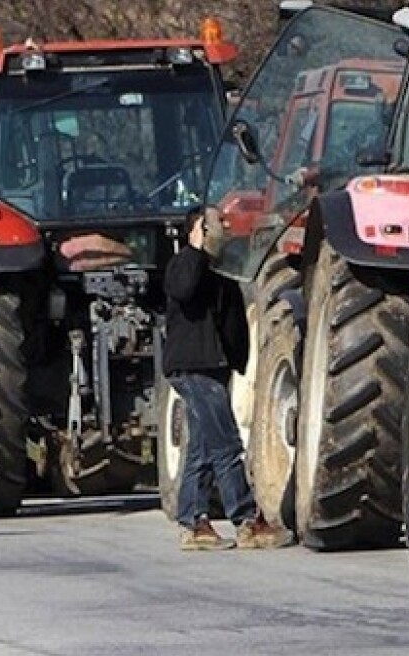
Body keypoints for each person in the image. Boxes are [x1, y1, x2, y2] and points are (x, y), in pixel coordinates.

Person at [163, 205, 294, 551]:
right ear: (198, 230)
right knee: (226, 445)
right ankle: (247, 521)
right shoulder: (183, 265)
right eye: (218, 221)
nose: (226, 225)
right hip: (195, 369)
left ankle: (193, 524)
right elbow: (184, 290)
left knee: (202, 450)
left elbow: (232, 320)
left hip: (214, 368)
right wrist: (194, 248)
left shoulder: (222, 271)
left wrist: (238, 361)